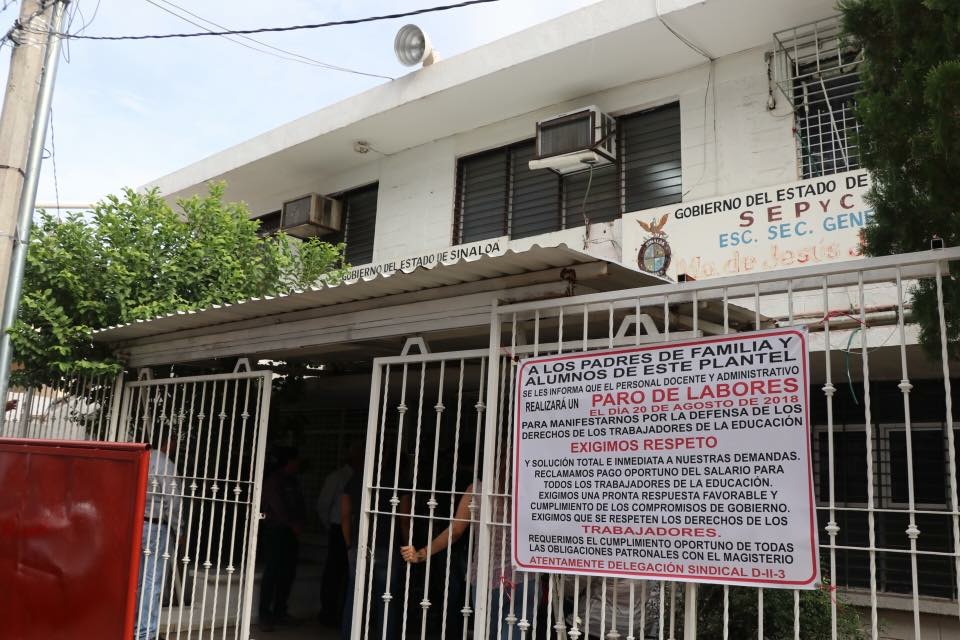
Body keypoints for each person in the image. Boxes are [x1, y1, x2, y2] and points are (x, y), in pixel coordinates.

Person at [400, 470, 535, 640]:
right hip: (522, 576)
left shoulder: (477, 490)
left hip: (488, 578)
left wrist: (423, 553)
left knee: (487, 634)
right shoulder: (528, 489)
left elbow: (456, 531)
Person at [341, 448, 410, 640]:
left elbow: (345, 516)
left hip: (360, 544)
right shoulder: (399, 481)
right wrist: (408, 545)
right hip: (387, 545)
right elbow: (404, 520)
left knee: (355, 596)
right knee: (386, 598)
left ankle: (349, 635)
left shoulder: (356, 480)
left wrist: (349, 544)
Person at [135, 429, 180, 640]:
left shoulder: (140, 458)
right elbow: (173, 501)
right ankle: (145, 632)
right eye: (174, 441)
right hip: (156, 526)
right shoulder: (165, 464)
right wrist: (178, 528)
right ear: (168, 441)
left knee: (138, 580)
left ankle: (133, 626)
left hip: (138, 525)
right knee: (152, 581)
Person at [258, 447, 306, 632]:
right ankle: (265, 615)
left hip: (290, 533)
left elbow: (299, 504)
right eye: (296, 460)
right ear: (289, 461)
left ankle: (280, 611)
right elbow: (277, 506)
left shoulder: (293, 481)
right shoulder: (274, 480)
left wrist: (299, 523)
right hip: (276, 531)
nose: (298, 463)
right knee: (272, 572)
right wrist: (291, 523)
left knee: (287, 573)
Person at [317, 447, 358, 625]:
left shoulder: (360, 477)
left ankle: (343, 614)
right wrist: (331, 527)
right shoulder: (337, 477)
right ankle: (328, 613)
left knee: (348, 573)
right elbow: (323, 505)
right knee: (334, 572)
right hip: (338, 528)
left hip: (354, 530)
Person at [562, 576, 659, 640]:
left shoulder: (600, 555)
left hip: (594, 625)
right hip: (634, 627)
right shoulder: (645, 557)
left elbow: (569, 588)